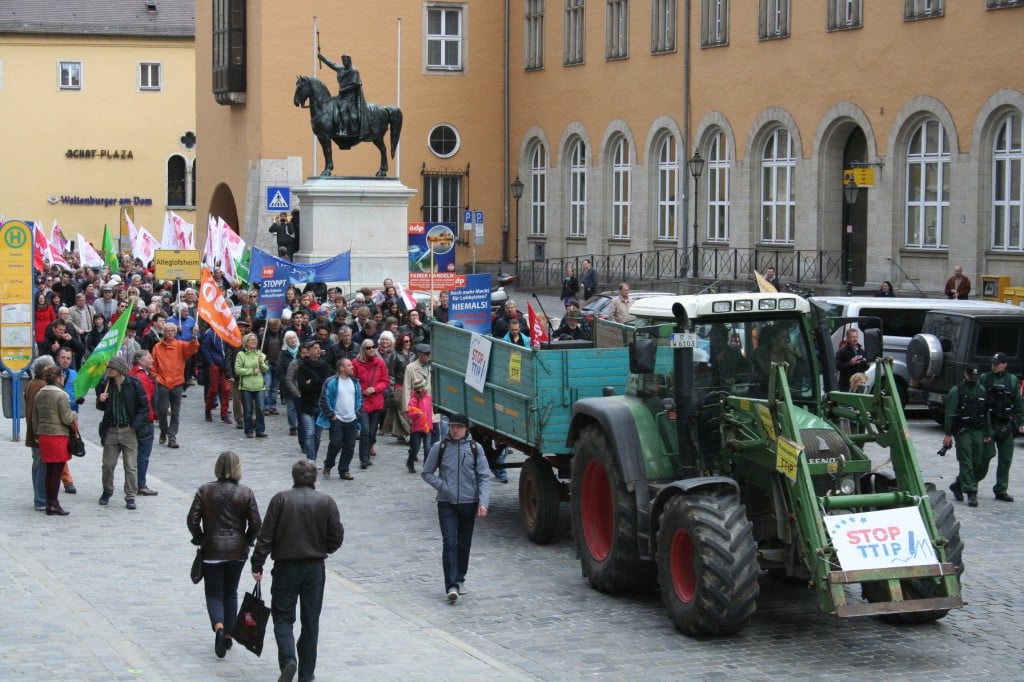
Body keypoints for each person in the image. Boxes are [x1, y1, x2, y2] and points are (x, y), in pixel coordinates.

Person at [251, 459, 343, 682]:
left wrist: (257, 563)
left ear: (294, 476)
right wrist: (324, 548)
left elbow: (266, 536)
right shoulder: (326, 502)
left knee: (283, 617)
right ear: (314, 478)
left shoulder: (280, 499)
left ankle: (288, 660)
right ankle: (306, 672)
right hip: (314, 568)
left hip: (286, 566)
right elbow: (336, 536)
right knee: (311, 620)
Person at [187, 450, 262, 659]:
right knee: (231, 592)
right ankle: (228, 634)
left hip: (212, 549)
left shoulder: (205, 490)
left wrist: (200, 538)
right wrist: (246, 541)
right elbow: (256, 523)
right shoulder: (245, 492)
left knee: (213, 593)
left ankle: (219, 627)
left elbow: (192, 520)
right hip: (237, 551)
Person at [420, 413, 491, 602]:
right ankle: (450, 585)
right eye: (452, 426)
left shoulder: (476, 449)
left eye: (459, 427)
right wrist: (443, 487)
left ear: (466, 429)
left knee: (464, 543)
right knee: (449, 542)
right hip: (446, 503)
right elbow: (427, 473)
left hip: (469, 502)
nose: (455, 430)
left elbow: (484, 476)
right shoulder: (440, 447)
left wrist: (483, 502)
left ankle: (460, 578)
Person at [96, 355, 151, 509]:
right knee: (107, 464)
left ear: (119, 370)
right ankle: (107, 490)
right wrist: (101, 400)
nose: (109, 371)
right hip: (112, 429)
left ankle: (130, 496)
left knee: (130, 466)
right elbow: (101, 408)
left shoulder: (133, 384)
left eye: (111, 368)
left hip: (129, 430)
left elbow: (144, 407)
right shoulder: (106, 383)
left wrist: (135, 425)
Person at [32, 365, 77, 516]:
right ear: (58, 378)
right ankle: (53, 503)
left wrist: (37, 433)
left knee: (49, 471)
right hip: (58, 435)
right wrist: (74, 415)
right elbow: (66, 418)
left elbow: (34, 417)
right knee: (56, 473)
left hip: (43, 435)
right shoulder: (61, 395)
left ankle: (48, 503)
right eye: (62, 377)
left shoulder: (40, 394)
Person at [979, 352, 1023, 502]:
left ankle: (1001, 489)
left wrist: (1020, 422)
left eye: (997, 364)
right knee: (985, 456)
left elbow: (1018, 403)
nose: (994, 366)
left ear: (1005, 364)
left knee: (1006, 458)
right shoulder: (985, 378)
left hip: (1006, 424)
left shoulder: (1012, 380)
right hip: (990, 424)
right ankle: (969, 483)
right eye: (993, 363)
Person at [945, 365, 991, 508]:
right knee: (966, 461)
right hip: (963, 431)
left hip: (978, 430)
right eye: (971, 376)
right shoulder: (956, 391)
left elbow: (986, 412)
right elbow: (950, 413)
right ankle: (971, 492)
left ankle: (958, 485)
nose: (973, 379)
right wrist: (948, 434)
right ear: (965, 374)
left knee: (977, 461)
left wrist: (988, 432)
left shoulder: (981, 390)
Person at [151, 322, 200, 449]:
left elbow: (192, 348)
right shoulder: (157, 347)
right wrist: (155, 377)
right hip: (162, 382)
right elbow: (153, 364)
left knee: (175, 412)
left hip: (177, 382)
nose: (169, 333)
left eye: (172, 331)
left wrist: (194, 336)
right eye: (167, 330)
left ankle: (172, 436)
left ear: (175, 332)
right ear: (163, 332)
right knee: (162, 411)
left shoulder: (180, 345)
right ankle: (163, 430)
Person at [318, 358, 363, 480]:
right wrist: (331, 415)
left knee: (349, 446)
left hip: (352, 419)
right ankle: (328, 464)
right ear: (341, 368)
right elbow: (324, 399)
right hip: (337, 419)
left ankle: (344, 470)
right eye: (349, 365)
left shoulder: (355, 382)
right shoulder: (332, 382)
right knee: (335, 443)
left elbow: (359, 398)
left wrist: (357, 413)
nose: (352, 367)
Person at [25, 355, 57, 511]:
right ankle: (40, 499)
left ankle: (39, 496)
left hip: (33, 429)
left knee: (37, 463)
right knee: (42, 464)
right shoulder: (43, 386)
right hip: (40, 431)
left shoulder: (31, 383)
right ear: (44, 370)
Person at [317, 50, 369, 138]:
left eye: (345, 60)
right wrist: (322, 58)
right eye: (343, 60)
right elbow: (332, 64)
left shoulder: (354, 71)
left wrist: (344, 90)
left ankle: (344, 130)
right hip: (341, 96)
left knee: (342, 110)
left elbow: (355, 85)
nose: (343, 62)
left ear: (349, 60)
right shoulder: (340, 69)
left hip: (350, 97)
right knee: (331, 106)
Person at [352, 339, 388, 466]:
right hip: (363, 401)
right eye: (368, 347)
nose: (371, 349)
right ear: (363, 349)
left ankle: (367, 451)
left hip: (376, 401)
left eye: (373, 347)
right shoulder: (356, 363)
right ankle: (364, 458)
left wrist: (375, 389)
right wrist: (362, 391)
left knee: (372, 432)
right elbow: (353, 381)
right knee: (365, 430)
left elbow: (385, 381)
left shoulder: (380, 363)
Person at [295, 341, 332, 462]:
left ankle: (314, 456)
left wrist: (312, 381)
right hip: (307, 404)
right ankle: (311, 459)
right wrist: (317, 383)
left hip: (320, 405)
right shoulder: (303, 367)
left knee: (317, 435)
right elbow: (302, 386)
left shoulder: (324, 365)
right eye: (314, 348)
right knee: (310, 433)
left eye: (318, 348)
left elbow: (326, 383)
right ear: (309, 350)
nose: (317, 350)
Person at [129, 350, 159, 496]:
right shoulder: (142, 377)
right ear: (140, 361)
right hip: (144, 421)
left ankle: (134, 483)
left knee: (135, 454)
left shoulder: (131, 373)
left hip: (135, 419)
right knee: (143, 454)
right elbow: (145, 401)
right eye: (149, 358)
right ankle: (141, 484)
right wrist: (149, 417)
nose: (152, 360)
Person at [235, 332, 269, 439]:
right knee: (248, 410)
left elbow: (266, 369)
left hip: (259, 386)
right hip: (246, 386)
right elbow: (238, 369)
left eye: (255, 340)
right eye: (251, 340)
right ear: (246, 342)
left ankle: (260, 430)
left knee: (260, 408)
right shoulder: (241, 354)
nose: (254, 341)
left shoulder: (260, 354)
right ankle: (248, 430)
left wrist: (262, 363)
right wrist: (251, 371)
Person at [384, 332, 414, 442]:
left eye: (409, 340)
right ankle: (409, 433)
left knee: (407, 411)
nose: (408, 343)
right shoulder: (395, 355)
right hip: (399, 386)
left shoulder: (412, 355)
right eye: (406, 341)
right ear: (401, 342)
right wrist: (392, 390)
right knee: (403, 411)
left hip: (412, 387)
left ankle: (401, 434)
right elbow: (391, 373)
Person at [201, 325, 232, 424]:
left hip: (225, 365)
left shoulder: (226, 332)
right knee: (213, 389)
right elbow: (205, 348)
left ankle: (224, 413)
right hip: (215, 364)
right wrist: (211, 362)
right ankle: (208, 410)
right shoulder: (209, 333)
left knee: (227, 389)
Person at [406, 378, 433, 474]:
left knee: (428, 447)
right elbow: (410, 412)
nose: (427, 388)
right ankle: (410, 462)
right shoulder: (414, 400)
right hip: (417, 428)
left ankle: (427, 465)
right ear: (420, 389)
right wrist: (416, 414)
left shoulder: (428, 398)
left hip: (427, 427)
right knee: (415, 447)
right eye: (425, 387)